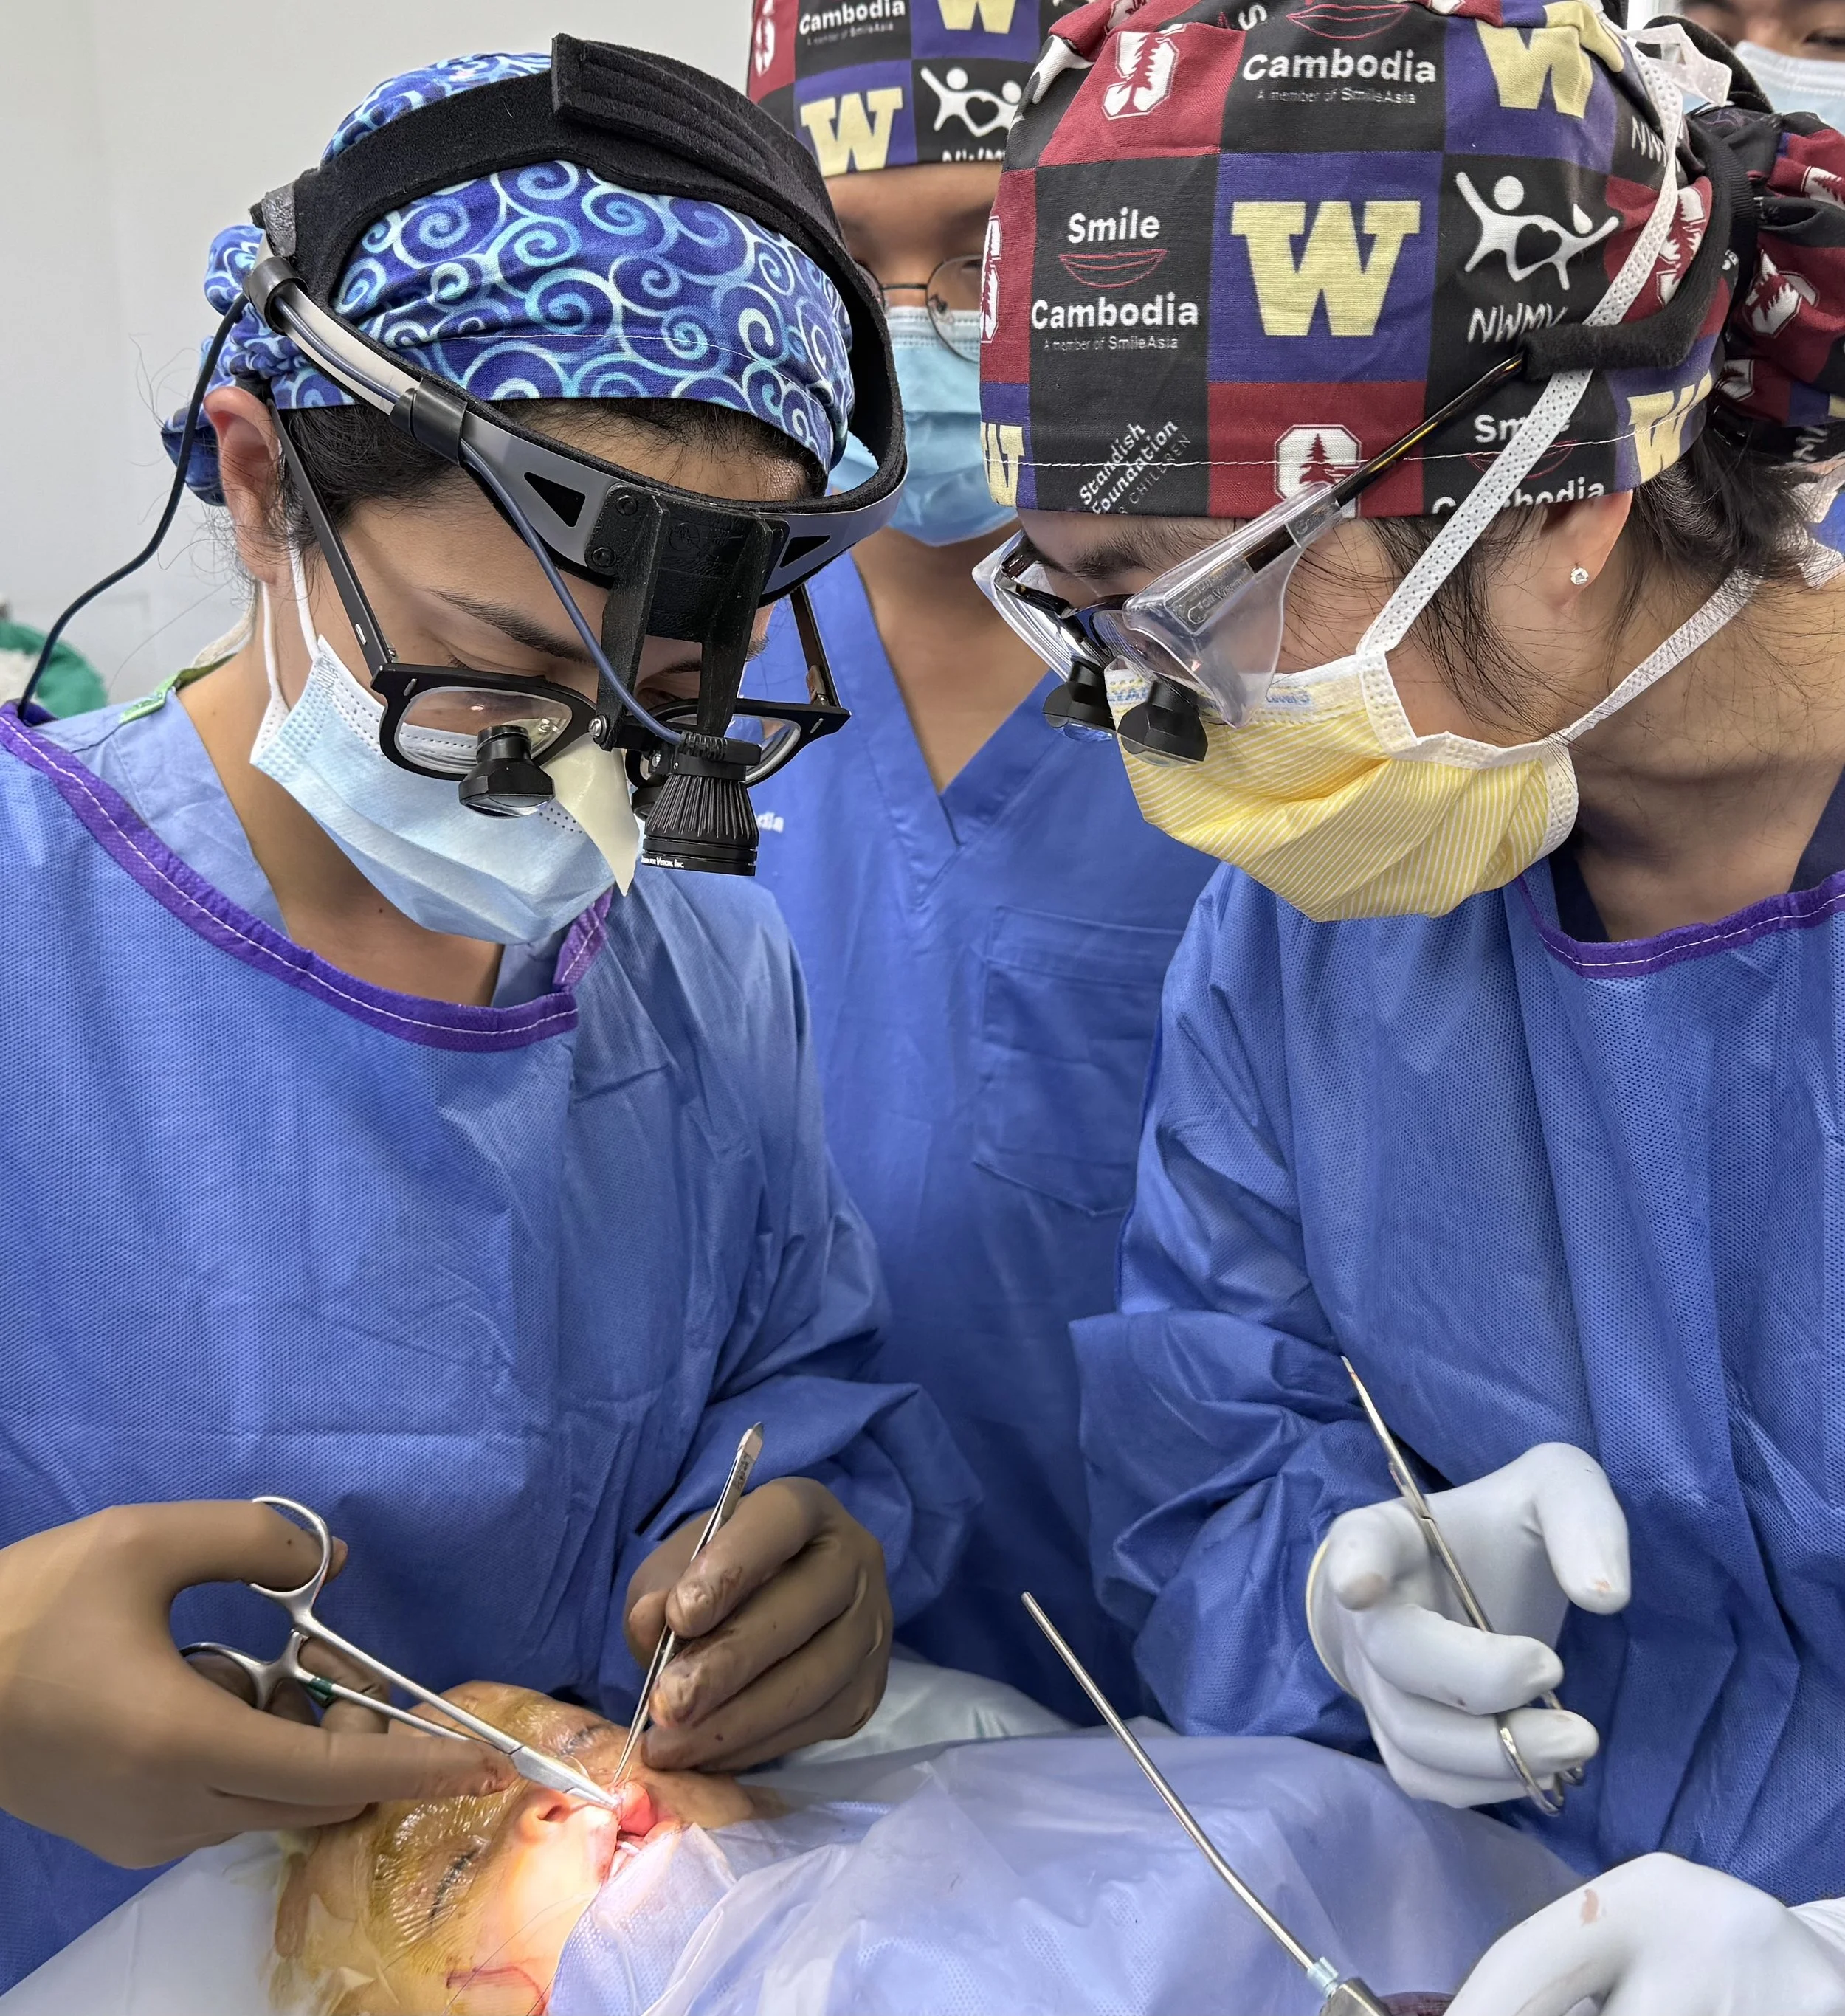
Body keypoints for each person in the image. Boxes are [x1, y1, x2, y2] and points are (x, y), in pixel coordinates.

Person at [0, 41, 979, 1992]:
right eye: (505, 673)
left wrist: (820, 1553)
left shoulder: (700, 981)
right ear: (263, 477)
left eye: (666, 700)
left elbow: (801, 1396)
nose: (582, 783)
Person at [974, 0, 1845, 2007]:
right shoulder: (1320, 927)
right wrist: (1338, 1600)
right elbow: (1218, 1433)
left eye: (1189, 607)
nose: (1154, 703)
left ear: (1562, 502)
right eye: (1088, 616)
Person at [743, 0, 1216, 1720]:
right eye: (851, 257)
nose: (917, 324)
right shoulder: (684, 654)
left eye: (984, 248)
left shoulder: (1252, 662)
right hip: (777, 1657)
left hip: (1215, 1639)